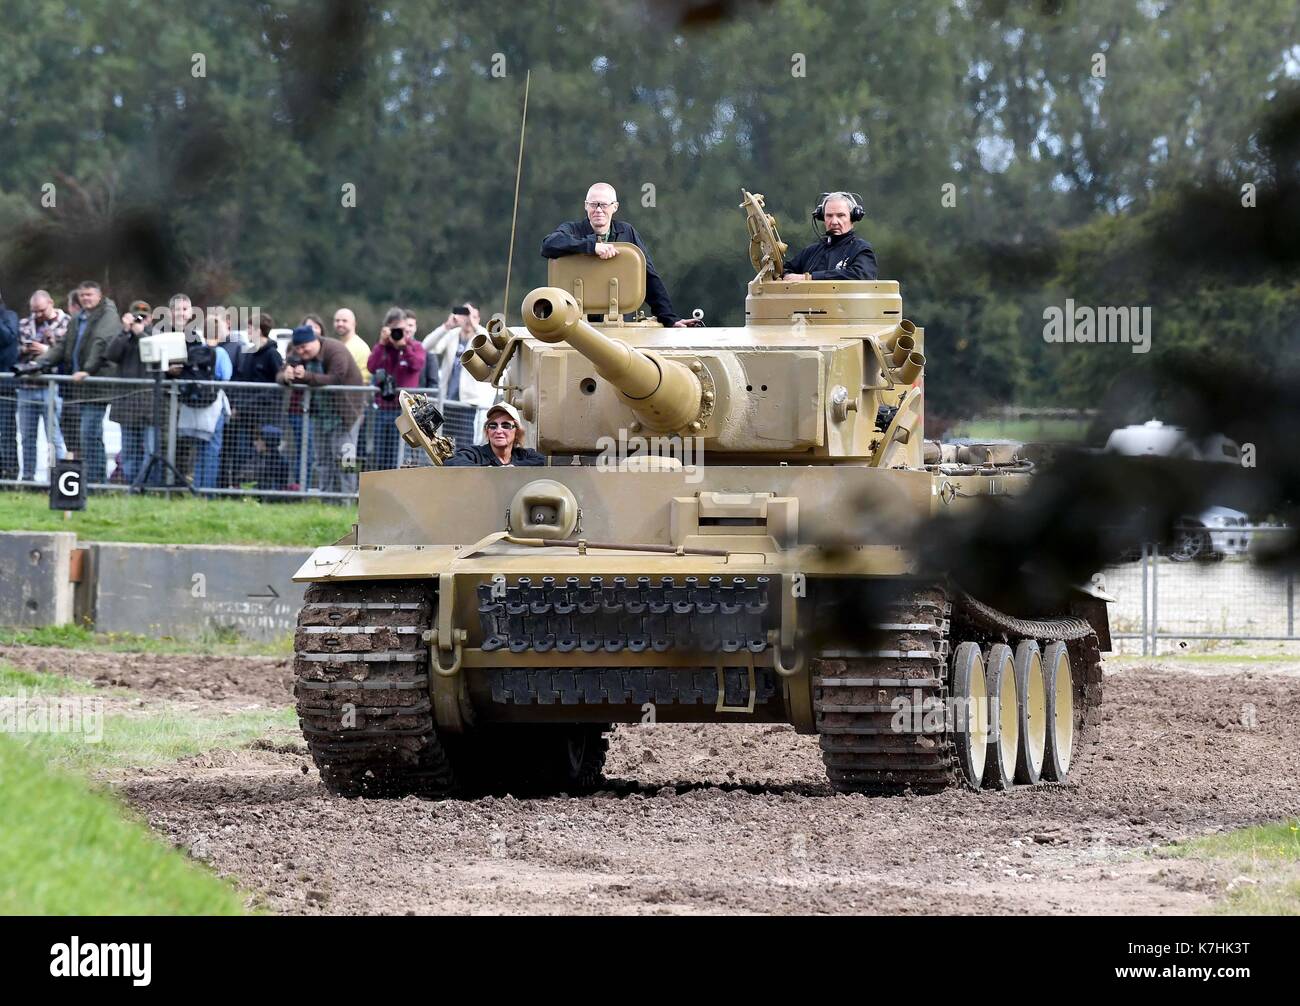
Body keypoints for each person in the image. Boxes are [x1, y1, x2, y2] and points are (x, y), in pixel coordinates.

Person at [541, 182, 692, 327]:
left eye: (604, 205)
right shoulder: (572, 230)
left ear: (615, 207)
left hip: (619, 322)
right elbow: (549, 245)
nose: (598, 210)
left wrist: (669, 318)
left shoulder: (626, 232)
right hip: (576, 323)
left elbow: (647, 276)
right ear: (586, 205)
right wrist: (591, 246)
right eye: (594, 204)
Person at [32, 280, 119, 485]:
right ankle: (92, 481)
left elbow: (101, 343)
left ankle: (97, 482)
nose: (86, 298)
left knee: (89, 432)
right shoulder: (78, 319)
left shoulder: (108, 315)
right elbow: (63, 347)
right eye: (82, 295)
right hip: (79, 387)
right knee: (86, 434)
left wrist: (86, 370)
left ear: (99, 296)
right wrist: (37, 364)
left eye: (89, 294)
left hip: (96, 385)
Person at [277, 323, 366, 496]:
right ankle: (327, 500)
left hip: (346, 416)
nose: (301, 352)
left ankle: (348, 499)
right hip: (319, 417)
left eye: (304, 347)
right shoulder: (298, 354)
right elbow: (280, 375)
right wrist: (286, 377)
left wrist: (306, 376)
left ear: (314, 340)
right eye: (298, 349)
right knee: (322, 461)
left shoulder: (335, 350)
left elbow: (336, 379)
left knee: (346, 460)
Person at [223, 312, 284, 489]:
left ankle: (269, 492)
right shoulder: (249, 353)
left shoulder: (273, 355)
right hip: (245, 417)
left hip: (266, 418)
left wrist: (244, 406)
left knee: (267, 458)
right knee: (243, 455)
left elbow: (276, 388)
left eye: (250, 327)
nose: (247, 331)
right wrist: (237, 405)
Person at [15, 289, 70, 481]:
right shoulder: (23, 323)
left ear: (51, 303)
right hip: (26, 388)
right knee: (27, 438)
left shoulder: (67, 323)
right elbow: (15, 348)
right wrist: (26, 348)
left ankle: (56, 477)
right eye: (34, 311)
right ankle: (28, 477)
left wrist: (47, 349)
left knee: (54, 438)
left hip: (51, 388)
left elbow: (66, 352)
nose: (37, 315)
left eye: (40, 310)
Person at [423, 303, 497, 445]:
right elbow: (427, 346)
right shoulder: (452, 335)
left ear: (478, 319)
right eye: (466, 316)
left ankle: (464, 468)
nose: (469, 320)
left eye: (473, 316)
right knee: (442, 445)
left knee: (465, 445)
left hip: (468, 403)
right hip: (447, 401)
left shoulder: (481, 338)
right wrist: (446, 326)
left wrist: (475, 326)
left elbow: (494, 348)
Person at [103, 300, 157, 485]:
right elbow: (111, 354)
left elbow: (155, 354)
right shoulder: (123, 336)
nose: (139, 319)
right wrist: (125, 332)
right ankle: (131, 486)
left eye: (143, 316)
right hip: (127, 404)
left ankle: (145, 486)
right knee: (129, 451)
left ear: (150, 319)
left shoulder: (154, 335)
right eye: (136, 316)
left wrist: (140, 333)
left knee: (150, 450)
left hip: (149, 405)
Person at [366, 308, 426, 470]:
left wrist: (403, 347)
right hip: (383, 409)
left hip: (404, 413)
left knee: (400, 455)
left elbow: (417, 365)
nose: (398, 333)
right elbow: (371, 367)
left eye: (401, 329)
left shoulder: (415, 347)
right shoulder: (383, 348)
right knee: (380, 455)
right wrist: (381, 344)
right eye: (394, 330)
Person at [781, 192, 878, 281]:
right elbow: (783, 271)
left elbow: (861, 275)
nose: (834, 222)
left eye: (840, 215)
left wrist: (810, 277)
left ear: (852, 218)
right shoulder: (811, 252)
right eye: (829, 216)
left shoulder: (861, 249)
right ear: (822, 218)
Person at [444, 402, 545, 467]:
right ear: (487, 430)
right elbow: (453, 461)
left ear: (517, 431)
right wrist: (488, 470)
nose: (498, 430)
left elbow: (542, 461)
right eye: (493, 426)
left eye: (506, 426)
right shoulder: (475, 454)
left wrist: (513, 466)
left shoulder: (524, 455)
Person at [0, 291, 18, 480]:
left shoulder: (9, 316)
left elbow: (7, 339)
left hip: (5, 384)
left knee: (6, 430)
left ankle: (10, 472)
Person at [332, 308, 371, 381]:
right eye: (337, 321)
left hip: (357, 389)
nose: (340, 324)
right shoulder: (339, 345)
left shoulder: (359, 346)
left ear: (354, 323)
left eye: (344, 321)